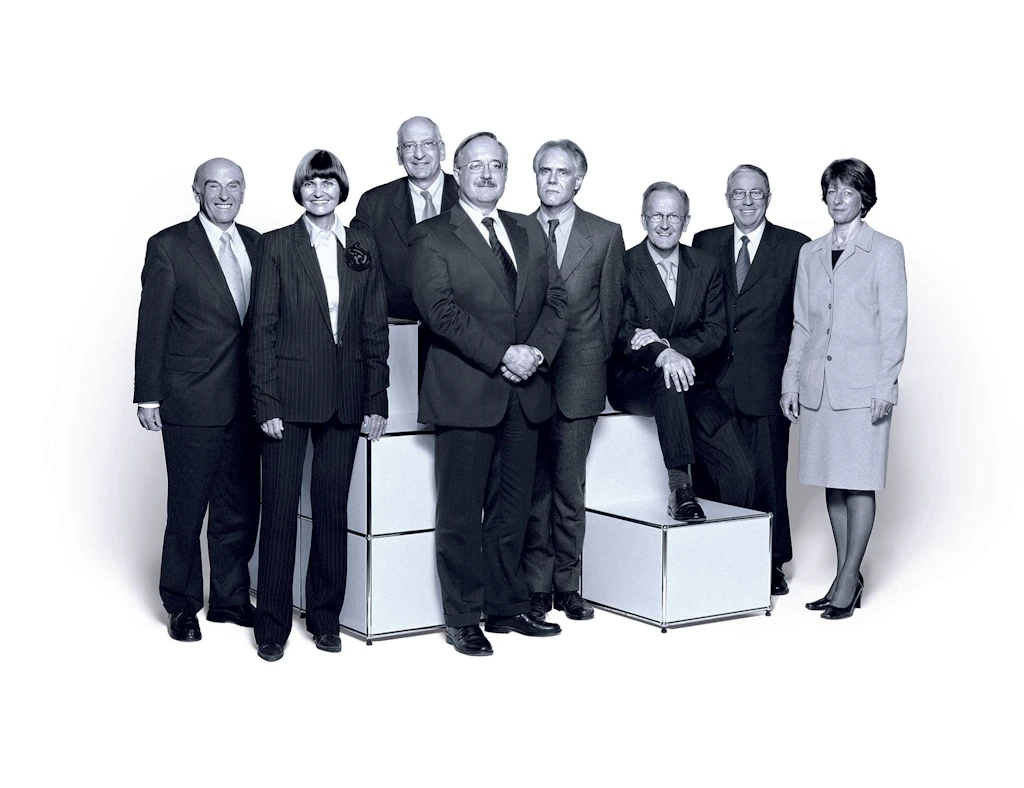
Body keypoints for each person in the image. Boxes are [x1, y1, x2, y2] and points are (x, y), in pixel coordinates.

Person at [412, 132, 569, 656]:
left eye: (496, 165)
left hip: (526, 394)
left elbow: (557, 300)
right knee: (460, 513)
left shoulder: (528, 230)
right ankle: (462, 616)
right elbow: (440, 312)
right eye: (475, 165)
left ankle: (504, 606)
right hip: (467, 393)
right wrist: (506, 353)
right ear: (456, 172)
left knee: (513, 509)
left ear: (507, 173)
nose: (486, 174)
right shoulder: (432, 234)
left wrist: (536, 354)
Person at [248, 150, 389, 661]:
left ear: (341, 188)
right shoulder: (276, 246)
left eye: (329, 183)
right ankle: (271, 625)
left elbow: (374, 326)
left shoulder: (362, 244)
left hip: (348, 399)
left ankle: (325, 619)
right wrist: (265, 401)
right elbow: (260, 331)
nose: (320, 192)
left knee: (331, 512)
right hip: (286, 399)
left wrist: (377, 397)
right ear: (300, 190)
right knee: (281, 513)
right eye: (311, 184)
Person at [134, 157, 261, 643]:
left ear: (243, 191)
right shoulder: (168, 246)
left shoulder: (257, 243)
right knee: (187, 509)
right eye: (214, 186)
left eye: (233, 186)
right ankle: (182, 604)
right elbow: (153, 326)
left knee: (240, 506)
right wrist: (148, 395)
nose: (224, 194)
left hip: (249, 403)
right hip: (191, 399)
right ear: (196, 191)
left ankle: (229, 600)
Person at [781, 158, 907, 619]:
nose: (838, 198)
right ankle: (843, 577)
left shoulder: (886, 251)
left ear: (864, 198)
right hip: (818, 386)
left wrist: (886, 384)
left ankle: (848, 580)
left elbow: (894, 323)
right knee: (833, 484)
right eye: (832, 190)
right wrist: (791, 380)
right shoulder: (810, 253)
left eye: (848, 191)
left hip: (863, 387)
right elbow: (801, 323)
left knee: (859, 483)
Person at [692, 165, 810, 596]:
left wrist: (794, 381)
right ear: (726, 197)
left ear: (768, 197)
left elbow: (804, 320)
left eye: (755, 193)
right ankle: (712, 558)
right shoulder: (705, 242)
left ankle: (770, 563)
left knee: (767, 476)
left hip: (768, 384)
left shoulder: (796, 246)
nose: (746, 201)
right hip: (711, 383)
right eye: (738, 193)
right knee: (712, 476)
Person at [520, 139, 625, 622]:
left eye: (562, 172)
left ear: (579, 179)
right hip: (526, 380)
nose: (552, 180)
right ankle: (536, 587)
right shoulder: (513, 229)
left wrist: (591, 371)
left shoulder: (605, 234)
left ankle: (569, 584)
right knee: (531, 490)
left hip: (579, 380)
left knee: (569, 489)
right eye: (544, 170)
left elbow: (610, 317)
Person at [608, 182, 755, 522]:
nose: (664, 223)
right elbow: (621, 330)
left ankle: (732, 555)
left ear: (686, 221)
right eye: (656, 214)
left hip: (694, 380)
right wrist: (659, 356)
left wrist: (669, 347)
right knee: (667, 376)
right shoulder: (624, 265)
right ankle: (680, 486)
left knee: (742, 471)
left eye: (673, 215)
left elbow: (715, 332)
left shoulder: (705, 266)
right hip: (635, 380)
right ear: (643, 219)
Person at [351, 116, 460, 384]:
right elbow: (355, 274)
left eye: (427, 144)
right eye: (409, 146)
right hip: (396, 344)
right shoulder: (373, 204)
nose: (419, 154)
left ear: (442, 150)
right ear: (399, 155)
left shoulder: (469, 197)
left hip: (462, 346)